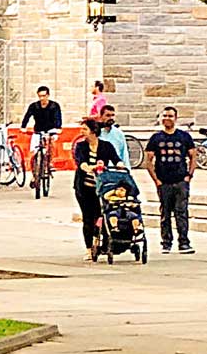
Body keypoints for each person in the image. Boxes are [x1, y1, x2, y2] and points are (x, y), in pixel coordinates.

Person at [144, 107, 197, 254]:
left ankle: (184, 242)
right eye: (165, 115)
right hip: (164, 180)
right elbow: (148, 160)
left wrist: (189, 176)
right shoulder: (156, 138)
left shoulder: (184, 136)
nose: (168, 118)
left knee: (182, 212)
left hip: (180, 179)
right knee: (165, 213)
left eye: (171, 116)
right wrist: (156, 180)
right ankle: (166, 242)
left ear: (176, 118)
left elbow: (193, 155)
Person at [73, 117, 121, 256]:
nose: (82, 132)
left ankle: (105, 244)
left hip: (102, 188)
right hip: (84, 187)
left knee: (102, 216)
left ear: (93, 131)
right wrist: (89, 167)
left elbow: (116, 159)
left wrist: (120, 166)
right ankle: (89, 248)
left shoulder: (106, 146)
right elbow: (81, 162)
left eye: (85, 129)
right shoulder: (81, 146)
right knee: (88, 218)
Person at [20, 85, 63, 177]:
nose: (42, 98)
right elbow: (27, 116)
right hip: (38, 130)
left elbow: (58, 117)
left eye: (44, 96)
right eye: (40, 96)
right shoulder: (34, 106)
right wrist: (23, 127)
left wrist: (58, 128)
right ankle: (34, 176)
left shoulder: (54, 106)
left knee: (51, 143)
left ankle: (50, 162)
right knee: (33, 153)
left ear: (48, 95)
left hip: (51, 130)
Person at [98, 104, 131, 169]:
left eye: (112, 115)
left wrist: (127, 169)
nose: (111, 118)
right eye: (108, 115)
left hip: (116, 168)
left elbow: (124, 153)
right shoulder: (96, 133)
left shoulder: (119, 133)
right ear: (101, 117)